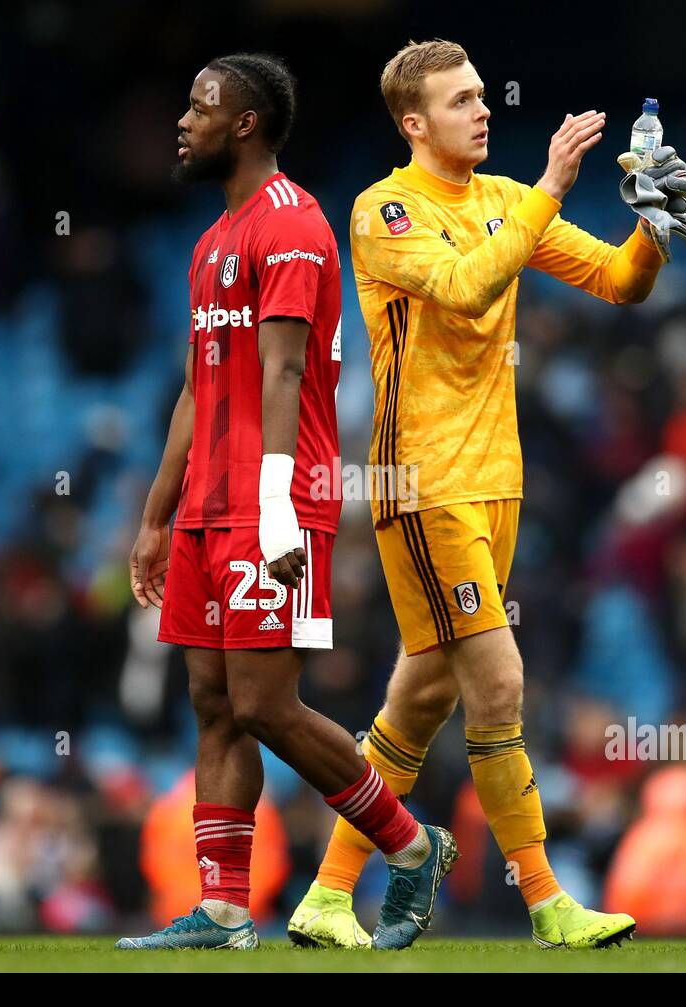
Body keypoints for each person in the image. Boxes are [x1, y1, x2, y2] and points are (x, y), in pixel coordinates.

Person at [287, 39, 686, 950]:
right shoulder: (384, 210)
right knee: (500, 684)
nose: (482, 110)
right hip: (419, 480)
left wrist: (653, 227)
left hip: (496, 485)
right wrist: (554, 182)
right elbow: (469, 290)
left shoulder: (505, 202)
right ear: (414, 123)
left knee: (421, 699)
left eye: (481, 95)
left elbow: (621, 283)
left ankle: (324, 896)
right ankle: (548, 899)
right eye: (460, 100)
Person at [118, 53, 457, 951]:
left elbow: (283, 370)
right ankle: (227, 910)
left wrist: (273, 513)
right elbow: (198, 387)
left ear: (246, 124)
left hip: (277, 500)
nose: (182, 122)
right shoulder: (210, 242)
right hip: (205, 503)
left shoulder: (295, 227)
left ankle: (414, 846)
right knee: (213, 702)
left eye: (201, 107)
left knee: (266, 702)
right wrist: (157, 515)